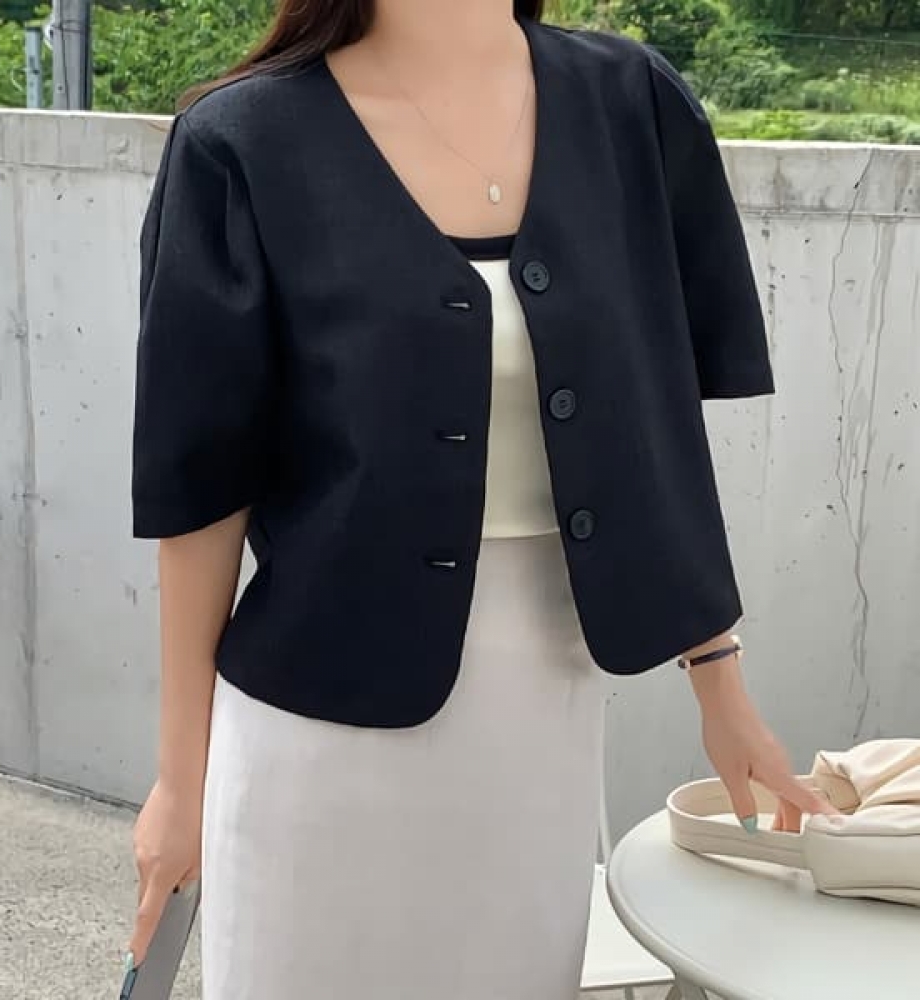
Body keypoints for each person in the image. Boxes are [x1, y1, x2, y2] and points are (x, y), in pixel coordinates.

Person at [126, 2, 835, 998]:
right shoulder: (241, 142)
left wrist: (719, 682)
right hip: (316, 736)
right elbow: (202, 496)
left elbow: (655, 420)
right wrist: (180, 778)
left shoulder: (631, 102)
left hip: (540, 729)